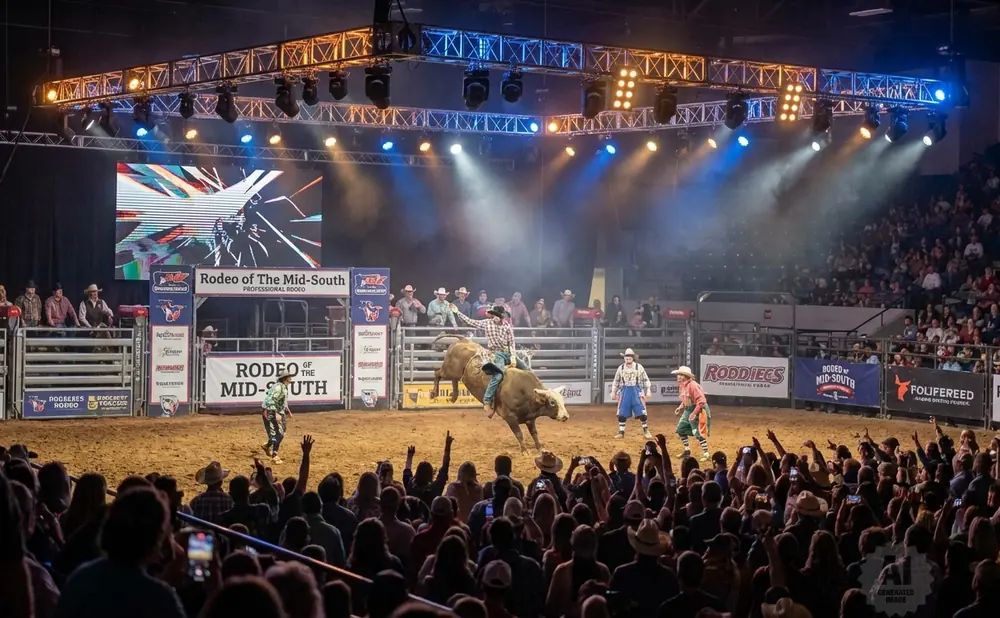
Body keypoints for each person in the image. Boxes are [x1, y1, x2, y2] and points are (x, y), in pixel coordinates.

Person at [449, 303, 526, 418]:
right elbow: (470, 321)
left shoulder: (507, 326)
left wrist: (513, 356)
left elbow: (512, 343)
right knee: (498, 375)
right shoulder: (487, 323)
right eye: (495, 315)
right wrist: (457, 313)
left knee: (526, 369)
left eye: (499, 316)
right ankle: (487, 400)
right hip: (496, 354)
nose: (497, 317)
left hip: (507, 353)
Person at [671, 365, 711, 461]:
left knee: (698, 432)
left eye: (680, 374)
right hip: (688, 409)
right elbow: (686, 398)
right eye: (678, 374)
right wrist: (681, 407)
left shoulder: (693, 385)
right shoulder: (682, 385)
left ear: (686, 376)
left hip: (698, 409)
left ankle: (706, 453)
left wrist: (694, 413)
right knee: (681, 429)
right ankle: (687, 450)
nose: (678, 376)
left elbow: (701, 401)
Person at [611, 348, 652, 439]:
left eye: (630, 356)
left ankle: (646, 430)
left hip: (637, 391)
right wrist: (613, 391)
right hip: (624, 391)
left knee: (641, 411)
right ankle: (621, 432)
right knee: (622, 411)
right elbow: (616, 380)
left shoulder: (639, 367)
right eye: (626, 356)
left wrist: (648, 390)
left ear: (633, 357)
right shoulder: (621, 368)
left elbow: (646, 379)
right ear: (624, 357)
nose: (628, 357)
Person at [261, 369, 295, 463]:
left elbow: (282, 401)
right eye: (289, 376)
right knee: (278, 433)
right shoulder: (278, 387)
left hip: (278, 411)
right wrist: (275, 413)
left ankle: (267, 446)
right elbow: (270, 400)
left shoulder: (283, 387)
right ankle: (274, 455)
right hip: (271, 411)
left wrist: (287, 411)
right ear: (285, 378)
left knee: (281, 432)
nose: (291, 378)